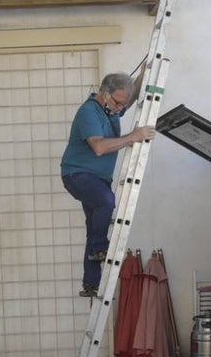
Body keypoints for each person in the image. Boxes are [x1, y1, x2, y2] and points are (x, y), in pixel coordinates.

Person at [60, 71, 156, 297]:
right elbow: (99, 148)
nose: (121, 108)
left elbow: (129, 98)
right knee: (106, 201)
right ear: (105, 94)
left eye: (123, 103)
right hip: (78, 174)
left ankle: (91, 282)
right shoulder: (89, 112)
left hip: (98, 178)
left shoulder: (111, 107)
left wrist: (146, 70)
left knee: (94, 227)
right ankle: (100, 248)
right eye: (117, 102)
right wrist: (133, 136)